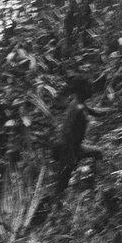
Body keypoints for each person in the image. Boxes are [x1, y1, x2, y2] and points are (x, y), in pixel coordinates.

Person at [51, 74, 109, 203]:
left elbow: (93, 110)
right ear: (82, 89)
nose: (91, 89)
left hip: (73, 146)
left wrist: (109, 110)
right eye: (88, 86)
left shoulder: (78, 104)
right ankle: (57, 209)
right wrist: (71, 155)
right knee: (62, 183)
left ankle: (97, 184)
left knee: (98, 153)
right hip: (68, 148)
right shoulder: (78, 108)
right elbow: (68, 133)